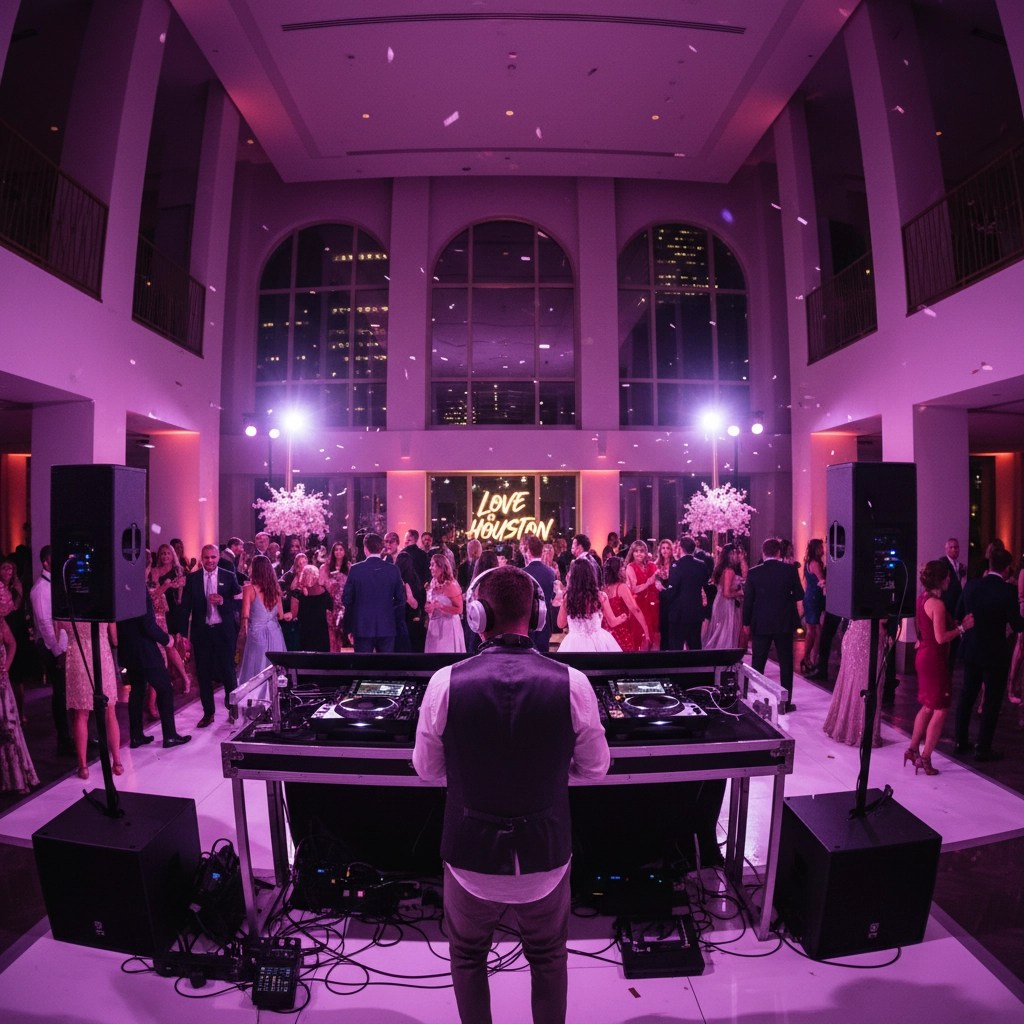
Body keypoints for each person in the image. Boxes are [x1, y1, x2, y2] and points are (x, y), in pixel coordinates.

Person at [412, 566, 610, 1024]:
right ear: (538, 614)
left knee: (467, 958)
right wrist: (552, 774)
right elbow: (596, 770)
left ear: (477, 617)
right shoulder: (572, 683)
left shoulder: (445, 682)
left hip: (469, 861)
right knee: (548, 959)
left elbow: (427, 770)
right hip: (545, 857)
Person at [954, 547, 1024, 762]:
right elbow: (1017, 624)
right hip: (995, 653)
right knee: (992, 701)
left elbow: (958, 614)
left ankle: (960, 741)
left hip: (971, 648)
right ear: (1007, 568)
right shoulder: (1007, 591)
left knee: (967, 696)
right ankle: (983, 748)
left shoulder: (972, 585)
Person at [909, 560, 974, 774]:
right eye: (946, 576)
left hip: (923, 656)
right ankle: (925, 757)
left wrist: (956, 623)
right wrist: (963, 628)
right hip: (934, 660)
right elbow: (941, 637)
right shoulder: (937, 604)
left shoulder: (923, 598)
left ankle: (912, 750)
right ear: (940, 579)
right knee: (941, 709)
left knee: (928, 706)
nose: (949, 579)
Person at [115, 589, 191, 749]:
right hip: (145, 650)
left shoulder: (119, 589)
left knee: (137, 690)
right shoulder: (139, 591)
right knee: (165, 689)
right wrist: (166, 639)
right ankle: (170, 736)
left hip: (127, 649)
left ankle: (136, 736)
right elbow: (147, 625)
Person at [178, 544, 243, 728]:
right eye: (206, 558)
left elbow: (239, 603)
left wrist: (224, 601)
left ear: (217, 557)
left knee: (229, 672)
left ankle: (233, 710)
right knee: (203, 673)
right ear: (201, 558)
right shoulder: (193, 579)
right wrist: (182, 634)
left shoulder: (228, 576)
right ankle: (208, 713)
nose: (210, 561)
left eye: (213, 557)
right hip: (202, 632)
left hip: (224, 632)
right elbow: (185, 608)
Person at [743, 537, 804, 714]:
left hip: (761, 622)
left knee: (758, 662)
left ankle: (757, 700)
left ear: (763, 553)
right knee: (786, 662)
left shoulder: (754, 573)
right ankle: (785, 703)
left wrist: (746, 622)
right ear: (779, 553)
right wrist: (785, 599)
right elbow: (799, 594)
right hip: (784, 621)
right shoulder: (790, 570)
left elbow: (748, 601)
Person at [56, 618, 121, 780]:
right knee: (110, 711)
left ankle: (83, 766)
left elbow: (57, 639)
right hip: (101, 655)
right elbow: (114, 639)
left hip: (77, 656)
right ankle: (117, 762)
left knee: (80, 714)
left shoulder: (65, 604)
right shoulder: (103, 602)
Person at [29, 545, 73, 756]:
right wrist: (59, 652)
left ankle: (73, 736)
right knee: (61, 694)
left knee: (70, 693)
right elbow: (46, 626)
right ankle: (64, 740)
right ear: (46, 562)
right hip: (52, 649)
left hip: (64, 645)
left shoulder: (57, 583)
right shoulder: (40, 590)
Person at [822, 620, 886, 748]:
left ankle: (847, 730)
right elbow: (880, 618)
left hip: (854, 634)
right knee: (867, 683)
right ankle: (859, 732)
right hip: (867, 638)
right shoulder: (876, 601)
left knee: (854, 682)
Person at [341, 533, 407, 652]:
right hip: (387, 625)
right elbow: (401, 599)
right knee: (386, 669)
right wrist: (387, 608)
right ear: (381, 549)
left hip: (362, 626)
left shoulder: (356, 570)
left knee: (363, 668)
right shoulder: (393, 570)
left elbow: (346, 599)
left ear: (365, 549)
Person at [0, 614, 39, 794]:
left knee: (6, 729)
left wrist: (4, 670)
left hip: (1, 684)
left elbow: (12, 644)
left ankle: (14, 780)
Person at [239, 555, 291, 684]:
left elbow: (245, 614)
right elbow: (280, 615)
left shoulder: (249, 589)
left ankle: (257, 698)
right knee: (275, 666)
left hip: (257, 633)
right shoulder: (276, 590)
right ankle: (275, 698)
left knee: (256, 667)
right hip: (275, 633)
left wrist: (242, 634)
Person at [556, 559, 621, 652]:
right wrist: (622, 618)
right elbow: (612, 622)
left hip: (573, 644)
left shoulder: (568, 598)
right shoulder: (600, 596)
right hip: (599, 642)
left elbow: (560, 624)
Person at [660, 537, 710, 651]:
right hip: (696, 612)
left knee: (676, 648)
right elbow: (704, 583)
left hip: (679, 614)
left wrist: (661, 591)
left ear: (680, 549)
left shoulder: (676, 566)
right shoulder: (701, 565)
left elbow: (672, 592)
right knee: (695, 646)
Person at [601, 557, 650, 651]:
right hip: (622, 632)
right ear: (617, 571)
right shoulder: (621, 587)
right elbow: (635, 610)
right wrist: (646, 631)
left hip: (606, 632)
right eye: (623, 568)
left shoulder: (603, 589)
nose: (625, 570)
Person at [703, 543, 746, 650]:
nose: (738, 555)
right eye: (736, 553)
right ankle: (724, 654)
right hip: (726, 604)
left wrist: (742, 560)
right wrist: (739, 593)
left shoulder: (725, 569)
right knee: (725, 630)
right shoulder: (729, 571)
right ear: (731, 554)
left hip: (723, 602)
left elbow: (745, 576)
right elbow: (726, 593)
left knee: (725, 630)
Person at [425, 553, 466, 653]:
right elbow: (430, 601)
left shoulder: (451, 586)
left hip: (448, 627)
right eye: (430, 564)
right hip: (434, 625)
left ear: (442, 567)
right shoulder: (433, 582)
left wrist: (441, 607)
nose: (430, 568)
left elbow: (459, 609)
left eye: (433, 565)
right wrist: (428, 607)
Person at [522, 536, 556, 653]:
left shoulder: (523, 573)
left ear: (528, 552)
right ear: (541, 552)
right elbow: (552, 596)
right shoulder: (551, 572)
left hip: (527, 622)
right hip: (545, 621)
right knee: (543, 657)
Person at [624, 541, 660, 649]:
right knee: (639, 635)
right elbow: (634, 589)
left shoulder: (651, 566)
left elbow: (658, 582)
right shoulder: (630, 567)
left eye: (641, 551)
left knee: (652, 635)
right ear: (632, 553)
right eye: (636, 551)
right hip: (638, 605)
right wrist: (649, 582)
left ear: (646, 553)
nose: (639, 554)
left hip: (652, 605)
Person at [291, 564, 332, 652]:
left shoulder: (298, 594)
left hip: (305, 634)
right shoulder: (325, 593)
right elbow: (331, 611)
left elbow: (293, 614)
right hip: (322, 634)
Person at [942, 537, 967, 672]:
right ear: (946, 549)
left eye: (956, 547)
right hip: (948, 606)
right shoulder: (943, 563)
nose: (954, 549)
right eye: (951, 547)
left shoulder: (960, 566)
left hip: (957, 606)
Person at [801, 539, 825, 674]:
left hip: (811, 596)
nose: (823, 550)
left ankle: (810, 658)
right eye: (820, 547)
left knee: (815, 629)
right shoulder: (815, 563)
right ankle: (808, 658)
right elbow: (822, 581)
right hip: (814, 598)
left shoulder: (809, 562)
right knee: (813, 629)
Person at [320, 542, 350, 651]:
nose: (338, 552)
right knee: (331, 632)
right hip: (330, 603)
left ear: (345, 551)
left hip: (344, 605)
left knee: (342, 633)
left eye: (341, 549)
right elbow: (321, 584)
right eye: (336, 549)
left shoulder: (349, 566)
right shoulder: (325, 567)